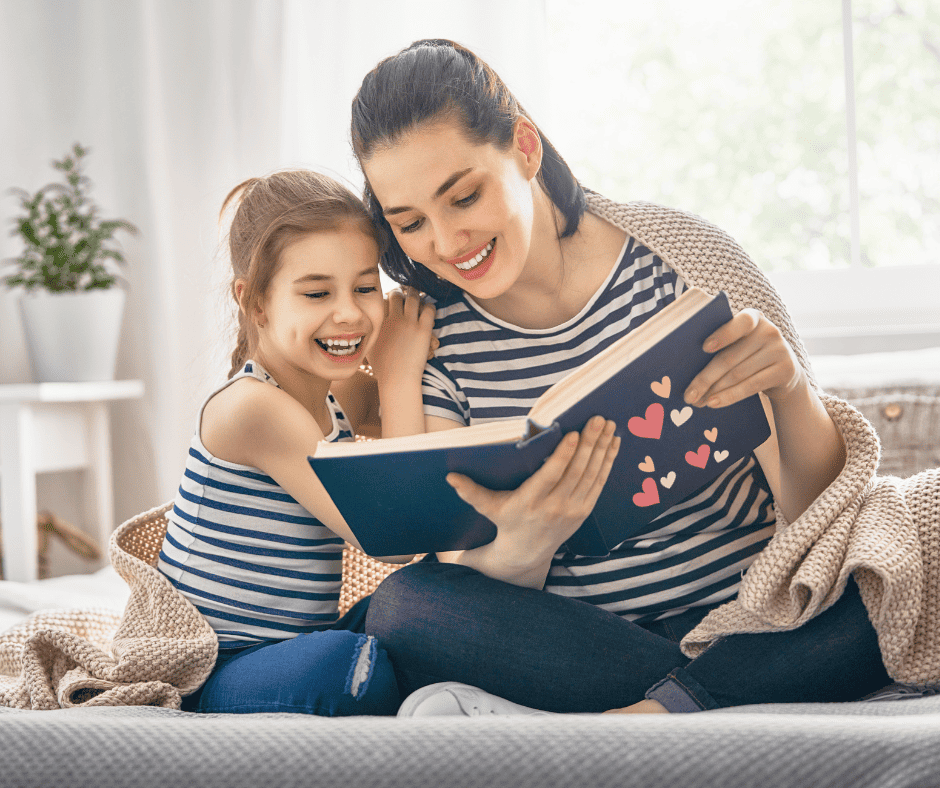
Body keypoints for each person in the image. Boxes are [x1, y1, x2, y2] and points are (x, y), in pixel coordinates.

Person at [347, 39, 894, 715]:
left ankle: (658, 713)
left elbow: (823, 515)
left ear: (524, 148)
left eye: (463, 196)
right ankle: (702, 699)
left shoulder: (681, 260)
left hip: (760, 617)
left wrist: (787, 395)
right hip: (587, 649)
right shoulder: (437, 343)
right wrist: (524, 546)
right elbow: (464, 580)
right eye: (410, 224)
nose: (447, 242)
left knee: (916, 531)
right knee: (404, 608)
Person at [155, 169, 441, 716]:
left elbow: (416, 434)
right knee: (346, 663)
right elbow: (396, 534)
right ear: (256, 303)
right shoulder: (254, 409)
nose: (350, 313)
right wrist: (398, 374)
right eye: (316, 293)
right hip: (223, 667)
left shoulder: (333, 394)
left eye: (364, 287)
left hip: (295, 644)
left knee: (432, 600)